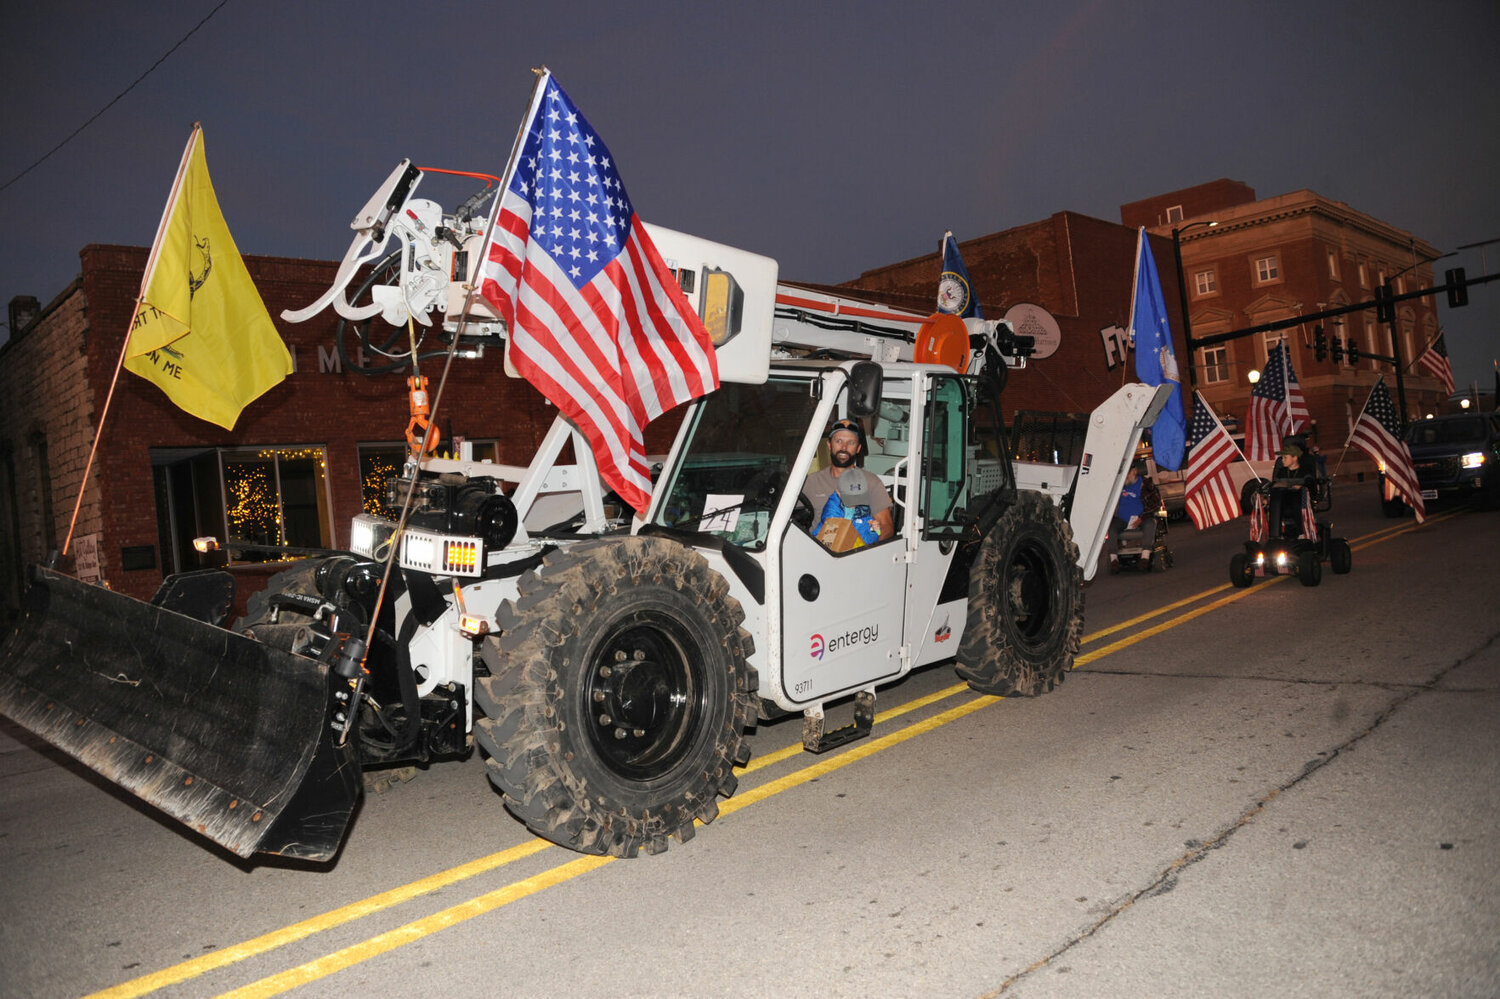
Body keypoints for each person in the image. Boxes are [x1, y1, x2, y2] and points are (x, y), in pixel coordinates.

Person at [802, 418, 895, 544]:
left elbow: (886, 527)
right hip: (817, 554)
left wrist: (862, 550)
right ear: (829, 445)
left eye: (850, 442)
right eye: (838, 441)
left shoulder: (871, 482)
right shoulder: (810, 482)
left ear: (858, 448)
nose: (844, 447)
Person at [1265, 439, 1314, 537]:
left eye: (1285, 457)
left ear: (1295, 458)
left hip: (1299, 499)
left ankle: (1301, 532)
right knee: (1273, 503)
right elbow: (1275, 483)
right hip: (1283, 498)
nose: (1282, 460)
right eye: (1282, 457)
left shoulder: (1304, 471)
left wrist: (1300, 486)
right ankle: (1276, 533)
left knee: (1295, 500)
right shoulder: (1282, 472)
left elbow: (1310, 483)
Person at [1108, 462, 1147, 566]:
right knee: (1111, 527)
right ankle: (1114, 559)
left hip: (1141, 518)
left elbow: (1153, 504)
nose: (1124, 477)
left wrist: (1141, 518)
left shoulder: (1145, 484)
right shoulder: (1119, 486)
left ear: (1134, 472)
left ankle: (1145, 556)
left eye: (1127, 474)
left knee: (1151, 523)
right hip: (1122, 519)